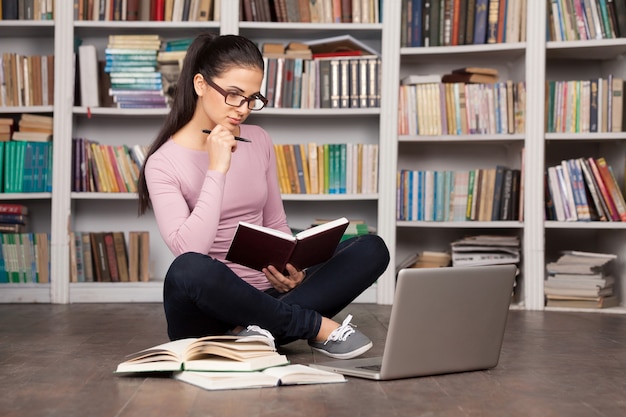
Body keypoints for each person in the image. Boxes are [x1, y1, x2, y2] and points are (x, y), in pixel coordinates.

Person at [137, 32, 390, 360]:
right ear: (200, 84)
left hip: (270, 296)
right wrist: (217, 168)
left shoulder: (258, 139)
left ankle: (256, 332)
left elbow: (274, 222)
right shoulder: (162, 162)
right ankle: (312, 326)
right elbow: (190, 250)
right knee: (186, 270)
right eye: (233, 95)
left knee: (371, 248)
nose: (243, 109)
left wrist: (290, 269)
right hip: (206, 315)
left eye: (252, 98)